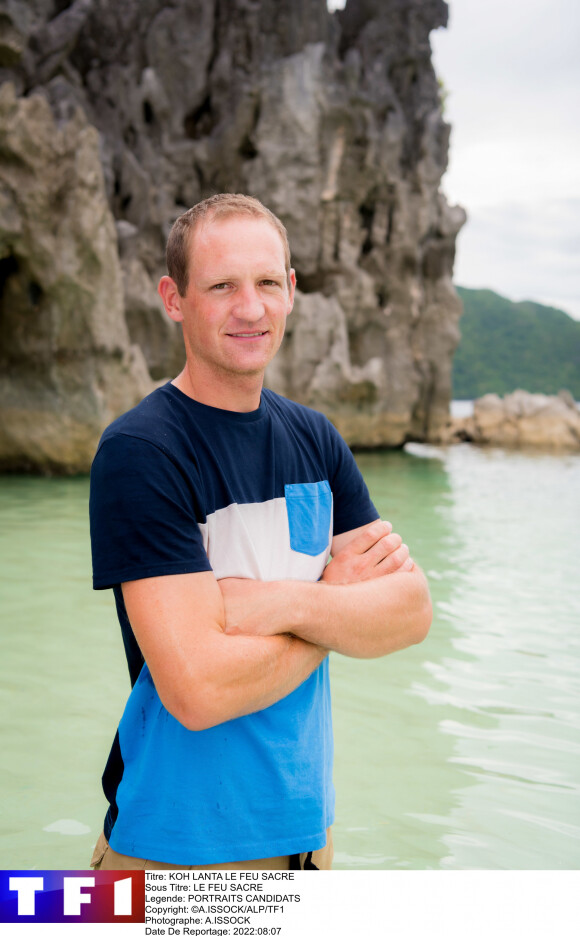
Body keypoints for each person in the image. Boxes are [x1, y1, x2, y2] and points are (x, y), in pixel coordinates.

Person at [89, 193, 432, 871]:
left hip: (308, 838)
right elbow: (198, 690)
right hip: (174, 850)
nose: (251, 308)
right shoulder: (142, 452)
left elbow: (412, 613)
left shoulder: (316, 438)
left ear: (292, 291)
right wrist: (338, 612)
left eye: (268, 283)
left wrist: (286, 603)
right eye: (222, 286)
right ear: (174, 297)